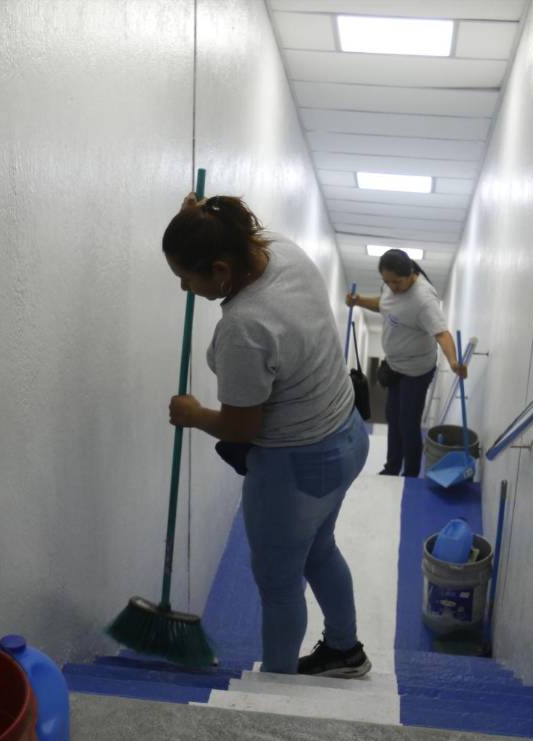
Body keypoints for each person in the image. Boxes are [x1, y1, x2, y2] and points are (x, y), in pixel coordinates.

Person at [163, 192, 371, 678]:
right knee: (320, 549)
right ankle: (345, 651)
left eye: (186, 278)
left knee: (279, 587)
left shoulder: (245, 326)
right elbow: (228, 230)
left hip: (297, 468)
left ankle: (278, 689)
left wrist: (193, 414)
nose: (183, 288)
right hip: (348, 434)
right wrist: (198, 217)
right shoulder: (278, 249)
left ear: (220, 270)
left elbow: (240, 427)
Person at [346, 249, 466, 477]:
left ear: (410, 272)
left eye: (396, 282)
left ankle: (410, 473)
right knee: (393, 417)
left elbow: (442, 334)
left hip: (417, 371)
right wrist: (359, 301)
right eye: (387, 281)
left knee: (408, 422)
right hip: (395, 365)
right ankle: (391, 467)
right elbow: (384, 304)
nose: (392, 286)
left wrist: (453, 362)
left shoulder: (423, 300)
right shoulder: (390, 287)